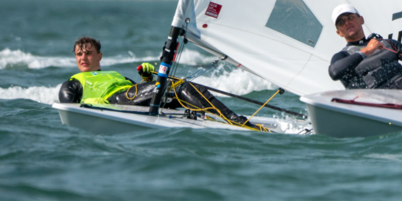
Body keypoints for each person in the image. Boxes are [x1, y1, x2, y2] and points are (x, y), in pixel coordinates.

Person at [59, 36, 258, 129]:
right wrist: (93, 105)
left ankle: (229, 118)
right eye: (79, 54)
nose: (83, 58)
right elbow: (68, 110)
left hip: (128, 98)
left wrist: (146, 79)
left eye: (88, 53)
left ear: (99, 56)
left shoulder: (116, 75)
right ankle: (233, 119)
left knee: (185, 88)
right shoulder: (74, 82)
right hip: (113, 102)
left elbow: (138, 92)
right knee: (176, 86)